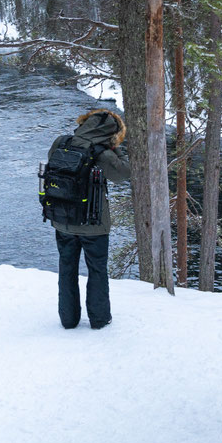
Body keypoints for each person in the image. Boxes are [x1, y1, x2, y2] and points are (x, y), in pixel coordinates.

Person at [47, 109, 130, 330]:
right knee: (97, 270)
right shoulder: (103, 153)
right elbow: (124, 173)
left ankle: (68, 319)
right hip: (94, 225)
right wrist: (117, 149)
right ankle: (99, 319)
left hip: (62, 219)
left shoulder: (62, 142)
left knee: (67, 269)